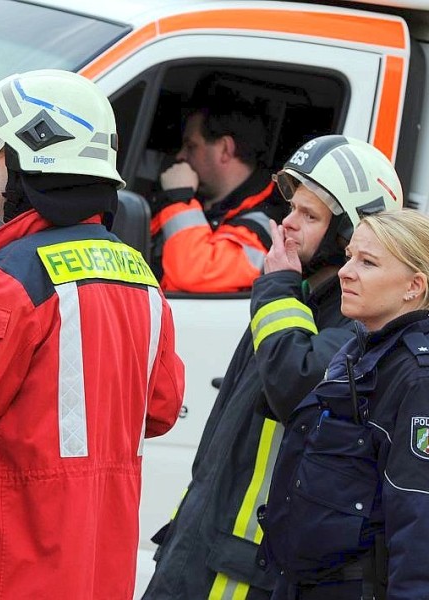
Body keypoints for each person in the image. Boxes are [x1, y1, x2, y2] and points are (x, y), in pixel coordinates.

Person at [0, 69, 185, 600]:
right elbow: (161, 408)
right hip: (92, 566)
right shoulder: (139, 276)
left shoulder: (9, 280)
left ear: (33, 156)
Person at [141, 135, 403, 600]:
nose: (287, 224)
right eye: (292, 209)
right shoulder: (296, 297)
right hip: (200, 548)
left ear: (350, 234)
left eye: (310, 215)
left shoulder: (359, 321)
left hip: (245, 572)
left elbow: (297, 383)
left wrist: (277, 289)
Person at [260, 208, 429, 600]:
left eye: (367, 263)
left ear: (414, 286)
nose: (345, 271)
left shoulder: (417, 378)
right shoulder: (360, 348)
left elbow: (419, 523)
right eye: (350, 255)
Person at [149, 93, 288, 292]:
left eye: (191, 146)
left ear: (224, 149)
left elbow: (194, 275)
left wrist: (179, 199)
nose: (180, 156)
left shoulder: (268, 224)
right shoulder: (205, 204)